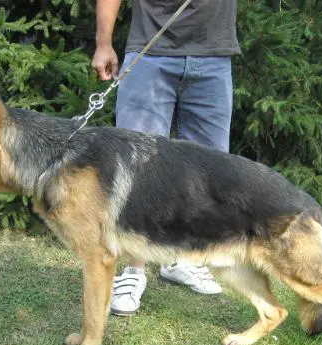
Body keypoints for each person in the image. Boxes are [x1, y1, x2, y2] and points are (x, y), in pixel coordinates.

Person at [92, 0, 240, 316]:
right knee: (137, 171)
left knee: (209, 171)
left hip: (214, 55)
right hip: (150, 52)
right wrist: (104, 43)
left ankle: (183, 259)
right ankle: (132, 271)